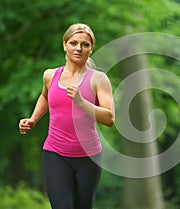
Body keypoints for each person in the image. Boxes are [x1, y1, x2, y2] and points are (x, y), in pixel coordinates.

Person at [19, 23, 115, 209]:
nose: (78, 48)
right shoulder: (50, 75)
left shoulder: (98, 80)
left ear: (91, 49)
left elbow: (109, 118)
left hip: (89, 156)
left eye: (85, 44)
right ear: (64, 45)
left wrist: (81, 102)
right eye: (73, 43)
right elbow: (45, 95)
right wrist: (33, 119)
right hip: (55, 154)